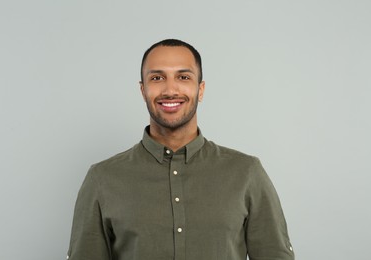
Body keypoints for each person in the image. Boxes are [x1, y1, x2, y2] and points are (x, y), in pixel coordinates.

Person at [67, 39, 295, 260]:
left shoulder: (246, 172)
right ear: (143, 90)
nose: (170, 89)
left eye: (183, 77)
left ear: (201, 89)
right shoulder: (102, 178)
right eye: (157, 78)